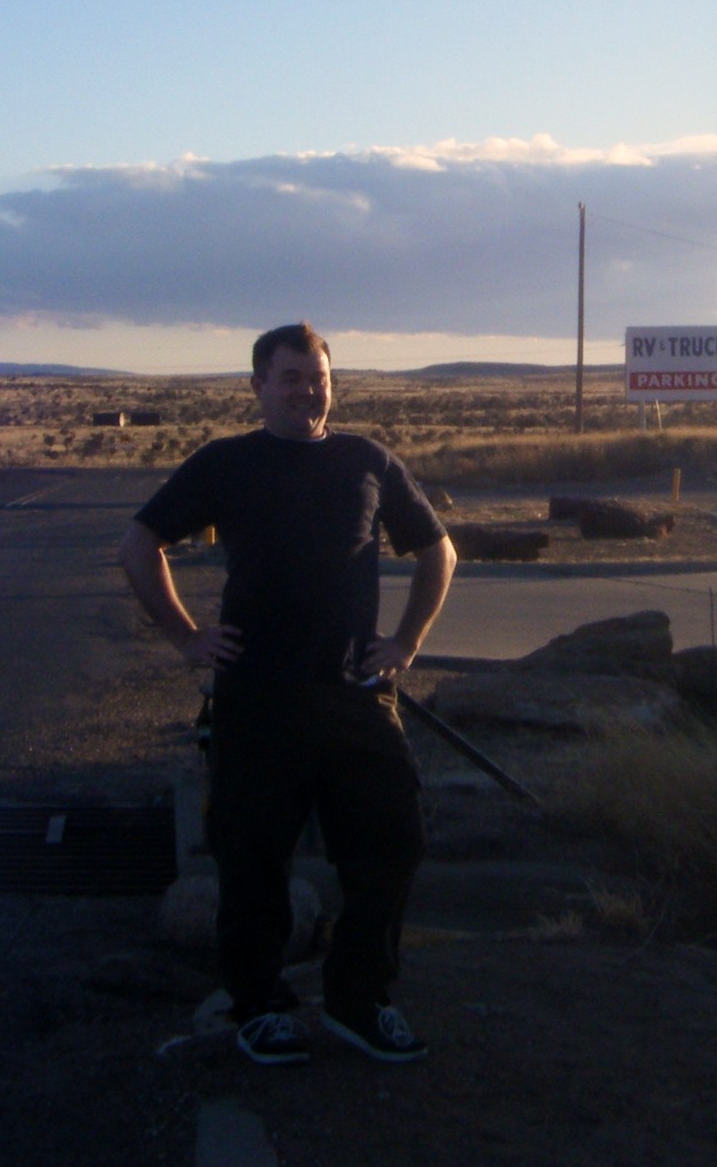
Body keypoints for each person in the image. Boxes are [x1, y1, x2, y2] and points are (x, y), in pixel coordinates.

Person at [120, 322, 456, 1067]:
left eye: (318, 377)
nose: (308, 391)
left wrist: (405, 644)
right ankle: (259, 1004)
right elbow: (139, 546)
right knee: (253, 860)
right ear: (258, 386)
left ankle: (358, 999)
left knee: (393, 843)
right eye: (291, 378)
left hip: (356, 696)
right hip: (257, 701)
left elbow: (439, 549)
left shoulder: (367, 460)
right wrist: (185, 637)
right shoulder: (226, 463)